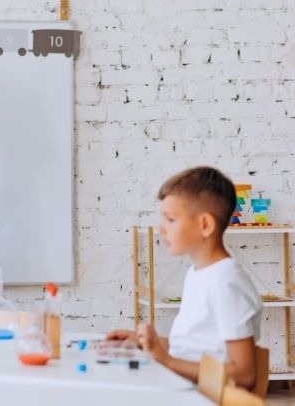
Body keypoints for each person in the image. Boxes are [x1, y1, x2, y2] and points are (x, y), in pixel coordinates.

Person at [107, 166, 262, 389]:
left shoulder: (226, 282)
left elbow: (245, 375)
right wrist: (146, 343)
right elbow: (193, 348)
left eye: (170, 220)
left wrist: (166, 360)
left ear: (205, 225)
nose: (162, 229)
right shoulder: (198, 274)